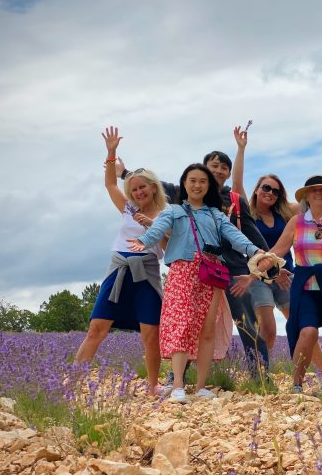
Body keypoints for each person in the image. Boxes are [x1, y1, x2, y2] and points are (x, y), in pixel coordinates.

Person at [123, 143, 271, 376]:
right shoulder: (177, 202)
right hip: (188, 271)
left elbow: (244, 236)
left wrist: (262, 257)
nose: (219, 171)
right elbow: (152, 190)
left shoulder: (230, 203)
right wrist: (124, 173)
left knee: (242, 323)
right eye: (214, 166)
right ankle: (178, 377)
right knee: (189, 322)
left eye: (224, 167)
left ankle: (260, 376)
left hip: (227, 271)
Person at [76, 127, 168, 396]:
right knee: (97, 328)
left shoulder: (166, 214)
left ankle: (153, 387)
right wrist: (111, 153)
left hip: (148, 272)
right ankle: (75, 381)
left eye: (143, 188)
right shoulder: (128, 208)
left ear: (153, 188)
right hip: (119, 269)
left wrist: (152, 225)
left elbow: (167, 246)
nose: (138, 192)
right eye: (134, 189)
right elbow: (109, 184)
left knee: (151, 334)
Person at [229, 126, 322, 372]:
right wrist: (241, 150)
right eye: (266, 188)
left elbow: (315, 199)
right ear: (257, 190)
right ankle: (262, 373)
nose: (271, 193)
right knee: (269, 330)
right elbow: (236, 185)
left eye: (275, 190)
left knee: (304, 325)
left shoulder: (285, 212)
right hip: (259, 277)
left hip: (286, 276)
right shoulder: (247, 212)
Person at [268, 176, 322, 392]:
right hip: (305, 286)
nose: (319, 193)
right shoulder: (297, 221)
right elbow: (278, 250)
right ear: (306, 196)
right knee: (308, 332)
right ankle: (297, 384)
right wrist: (256, 265)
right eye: (314, 190)